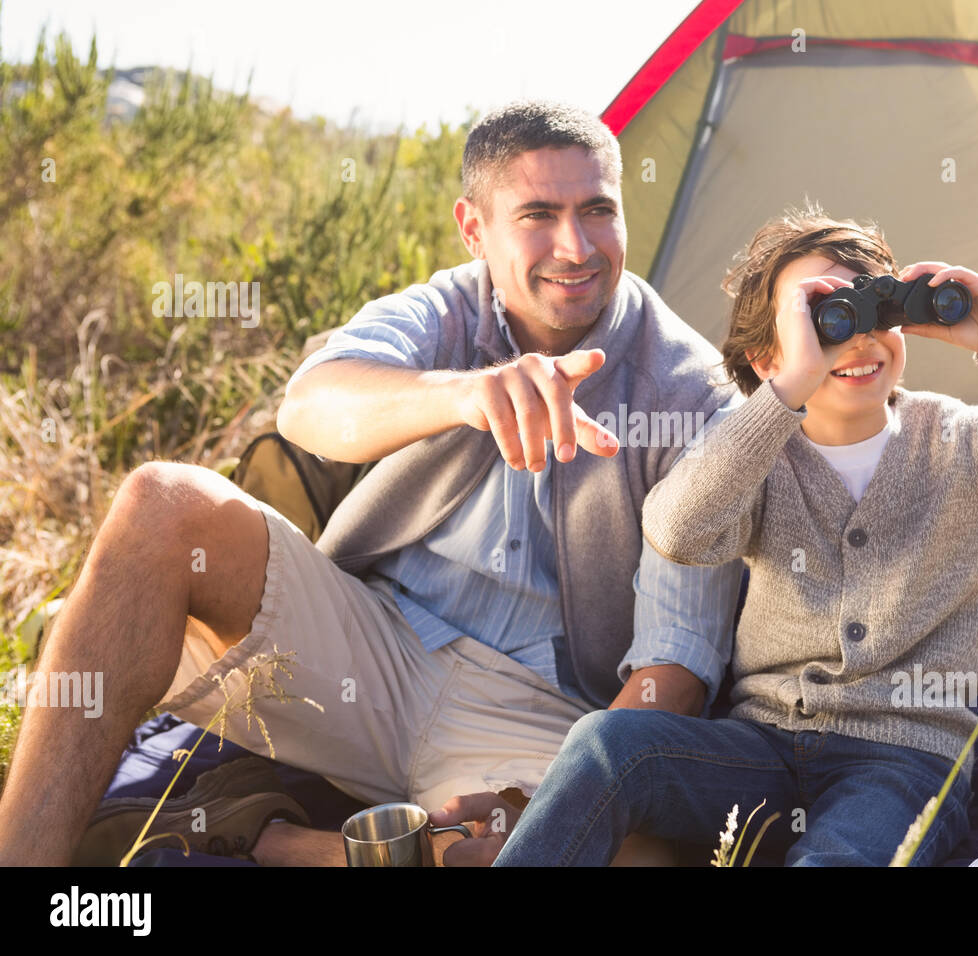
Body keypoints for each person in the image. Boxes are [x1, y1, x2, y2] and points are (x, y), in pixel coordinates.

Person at [0, 100, 741, 867]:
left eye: (597, 210)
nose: (575, 246)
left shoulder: (694, 398)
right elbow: (310, 406)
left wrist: (551, 801)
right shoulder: (448, 310)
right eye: (538, 215)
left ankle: (310, 846)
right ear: (474, 229)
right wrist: (464, 393)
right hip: (372, 643)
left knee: (648, 859)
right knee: (161, 503)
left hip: (540, 715)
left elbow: (675, 672)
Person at [492, 205, 978, 866]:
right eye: (822, 320)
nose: (855, 337)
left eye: (871, 309)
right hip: (758, 748)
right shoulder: (755, 453)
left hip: (903, 762)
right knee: (609, 745)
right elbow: (678, 532)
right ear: (769, 358)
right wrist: (789, 389)